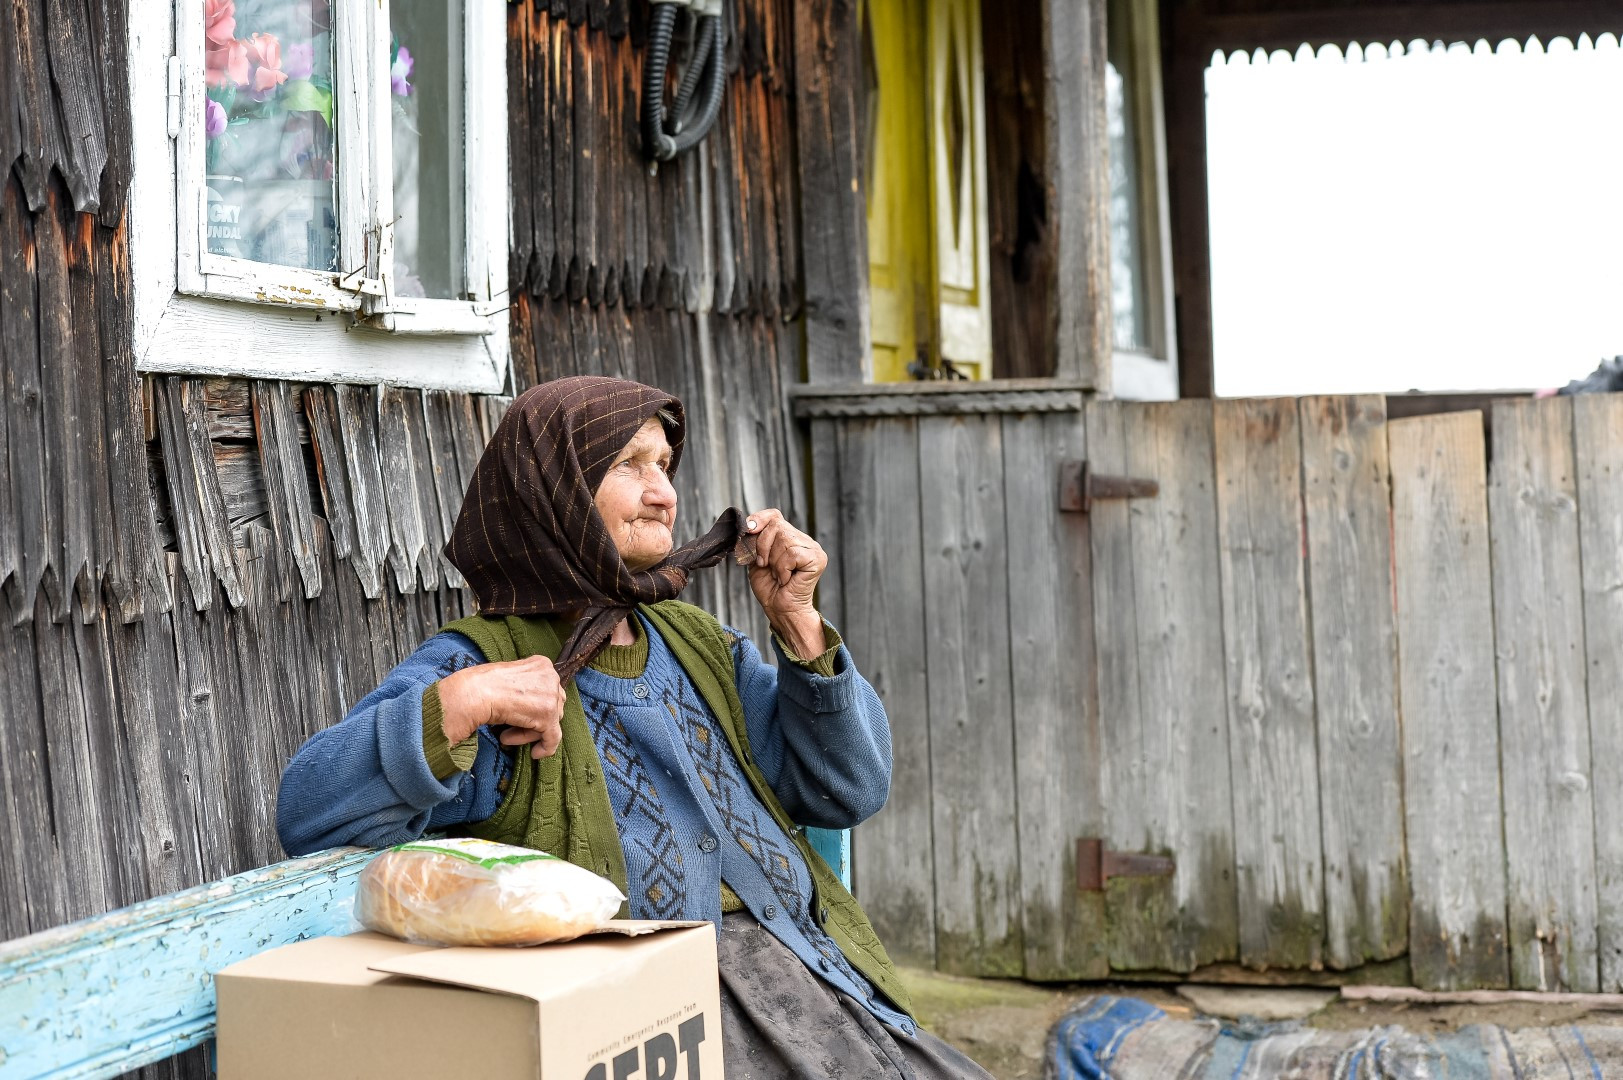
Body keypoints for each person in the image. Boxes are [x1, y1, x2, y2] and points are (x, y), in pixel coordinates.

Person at [277, 376, 991, 1079]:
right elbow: (308, 812)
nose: (664, 493)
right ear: (552, 490)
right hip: (663, 1029)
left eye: (665, 466)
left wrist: (798, 623)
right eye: (629, 465)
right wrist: (460, 703)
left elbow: (849, 789)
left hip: (818, 979)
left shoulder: (694, 642)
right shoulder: (482, 664)